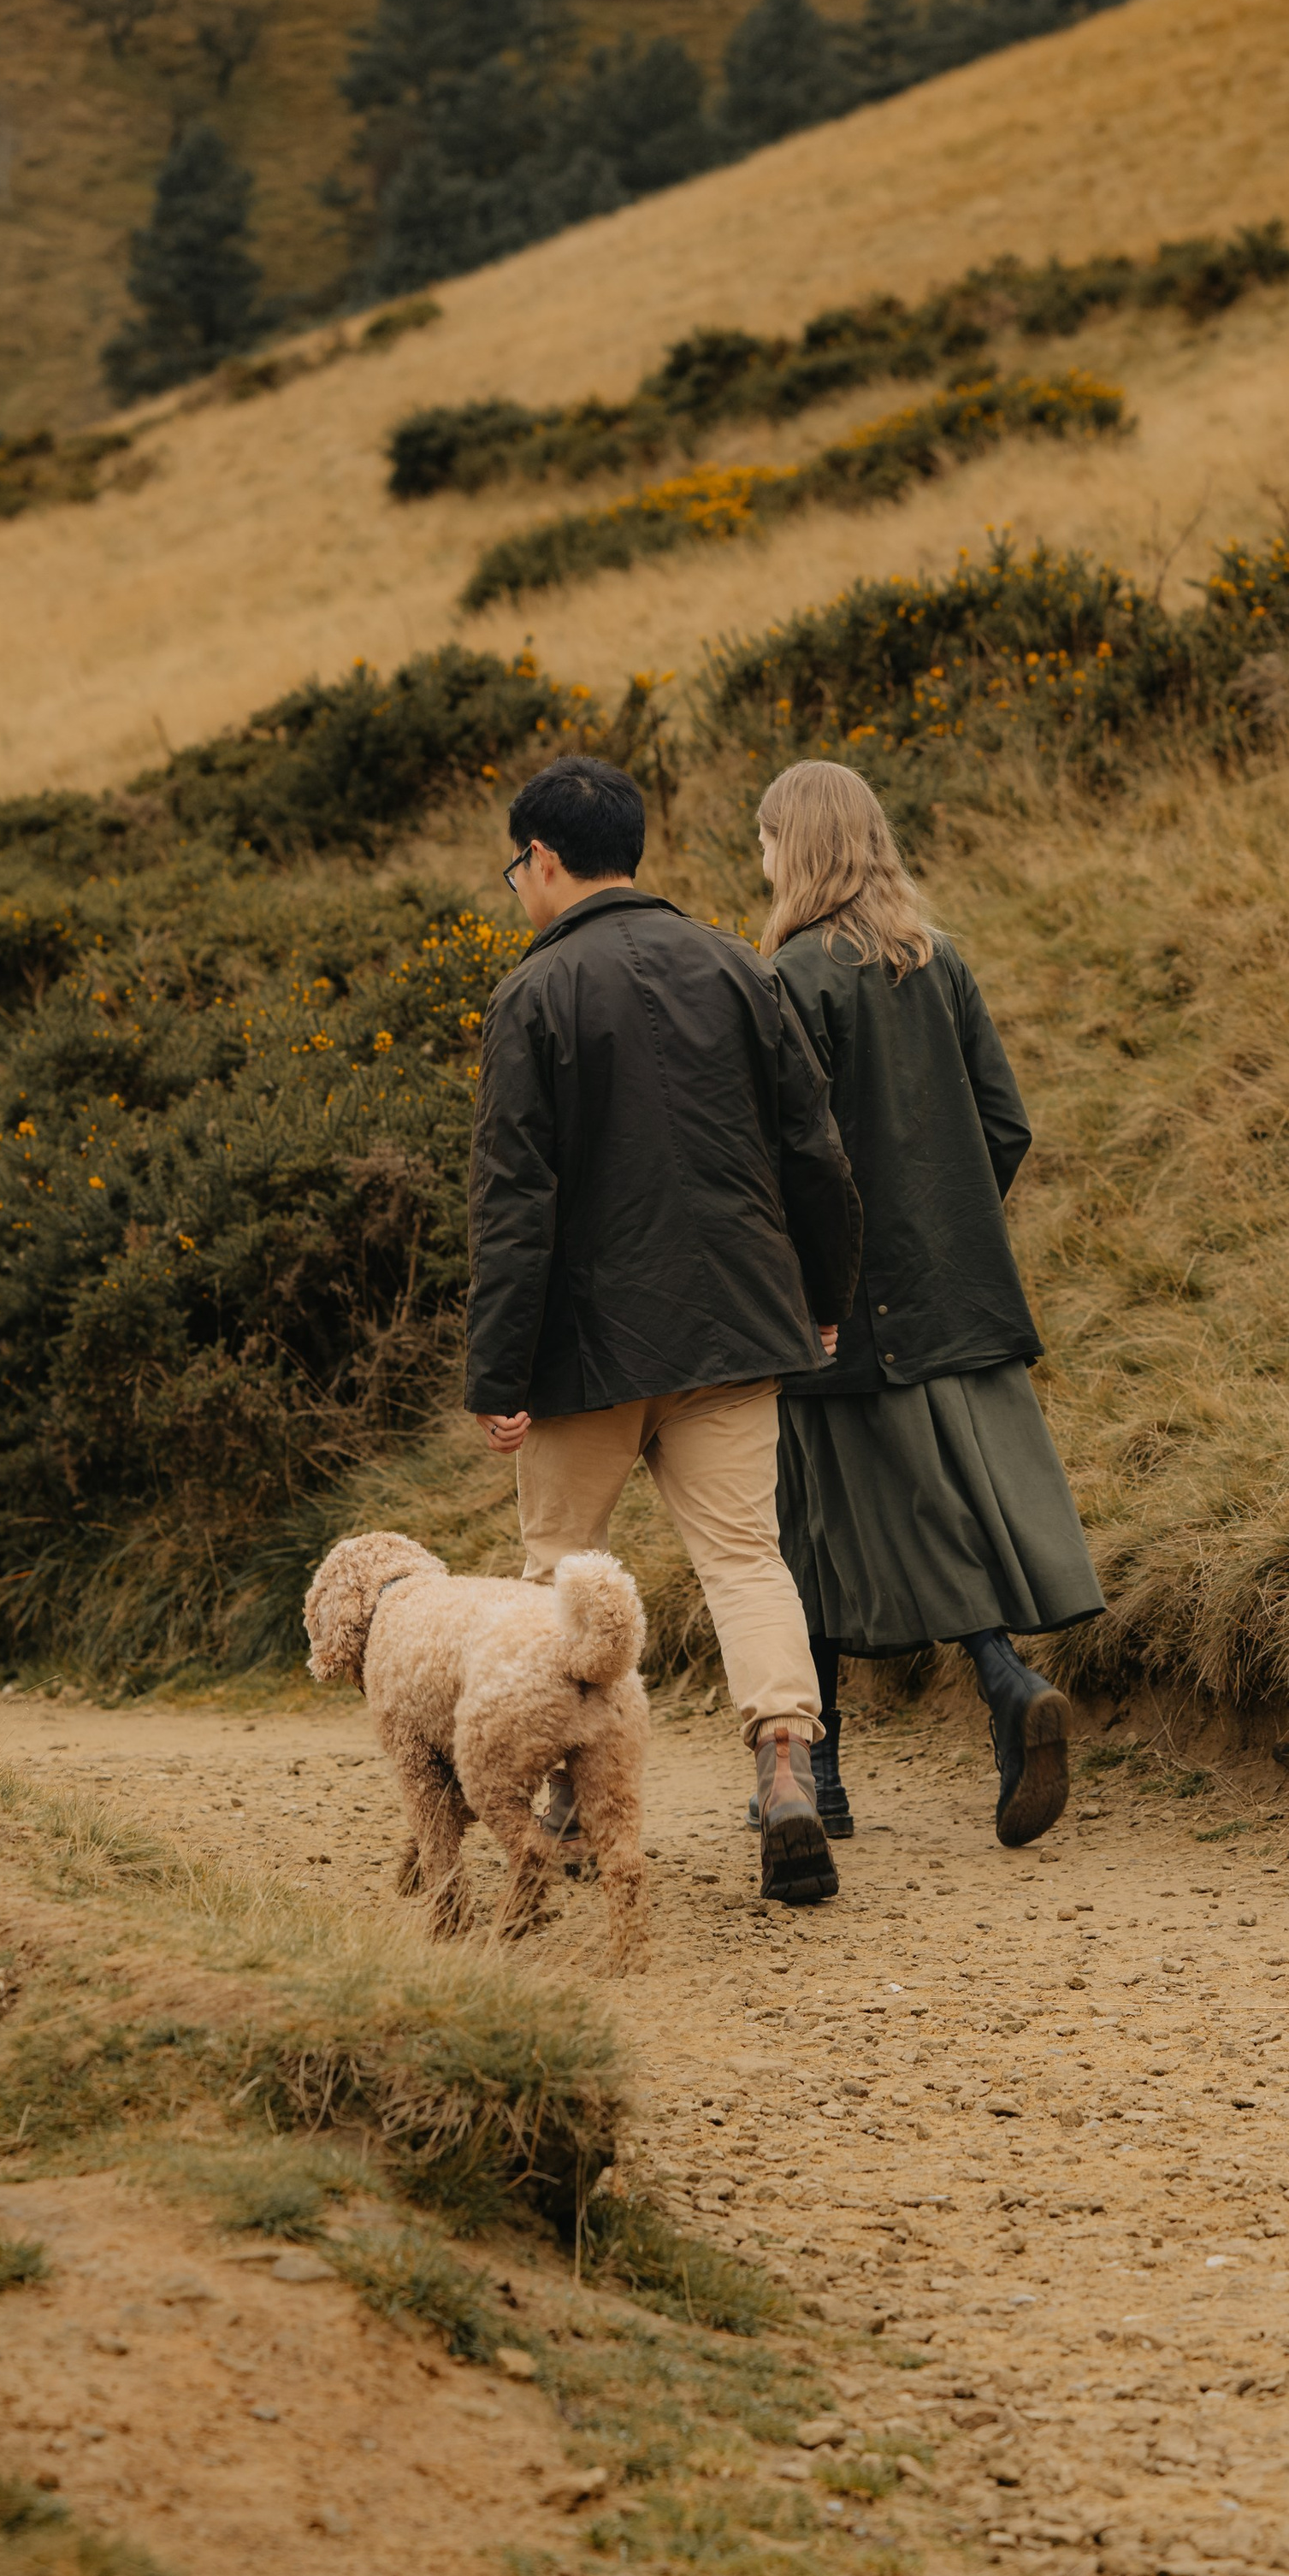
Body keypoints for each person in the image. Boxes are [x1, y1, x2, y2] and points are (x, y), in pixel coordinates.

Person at [465, 753, 864, 1907]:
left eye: (516, 868)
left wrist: (500, 1368)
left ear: (541, 861)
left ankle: (566, 1805)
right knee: (746, 1559)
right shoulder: (738, 967)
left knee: (561, 1580)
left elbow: (514, 1203)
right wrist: (822, 1296)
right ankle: (787, 1763)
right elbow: (815, 1153)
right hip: (737, 1323)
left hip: (586, 1348)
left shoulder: (532, 996)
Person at [754, 759, 1104, 1848]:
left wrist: (805, 1285)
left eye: (766, 840)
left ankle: (834, 1776)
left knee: (801, 1535)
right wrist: (946, 1241)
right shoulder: (938, 960)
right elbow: (1004, 1127)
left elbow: (793, 1163)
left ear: (799, 849)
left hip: (840, 1321)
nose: (760, 860)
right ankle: (1001, 1690)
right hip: (955, 1308)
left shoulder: (790, 978)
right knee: (947, 1517)